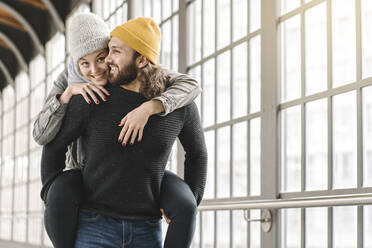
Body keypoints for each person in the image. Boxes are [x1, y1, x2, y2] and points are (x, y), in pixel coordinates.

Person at [35, 13, 205, 248]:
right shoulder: (89, 96)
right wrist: (51, 194)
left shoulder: (177, 103)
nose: (106, 62)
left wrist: (190, 201)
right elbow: (53, 143)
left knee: (185, 204)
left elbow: (198, 154)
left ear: (141, 60)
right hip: (94, 225)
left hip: (147, 229)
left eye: (114, 52)